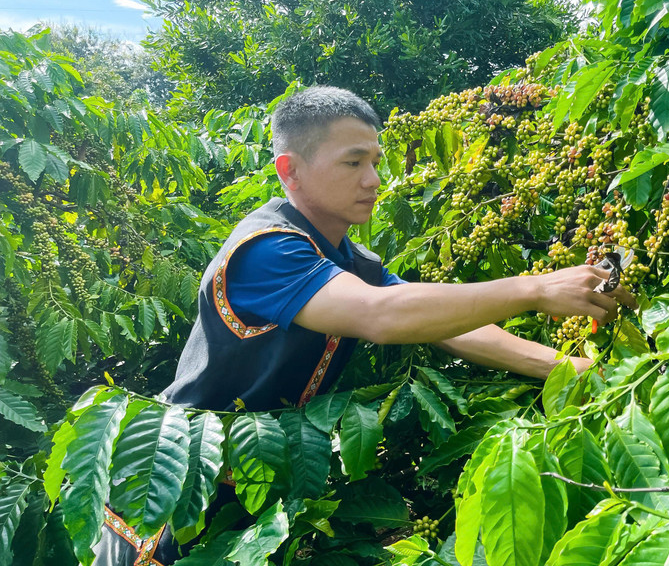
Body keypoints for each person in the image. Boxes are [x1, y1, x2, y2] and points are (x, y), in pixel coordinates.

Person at [94, 86, 635, 564]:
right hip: (172, 480)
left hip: (253, 488)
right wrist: (535, 288)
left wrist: (571, 368)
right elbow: (381, 315)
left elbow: (445, 324)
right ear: (289, 170)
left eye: (376, 161)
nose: (374, 180)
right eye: (353, 163)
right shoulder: (265, 250)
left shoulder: (351, 262)